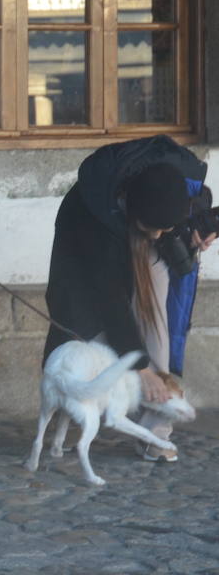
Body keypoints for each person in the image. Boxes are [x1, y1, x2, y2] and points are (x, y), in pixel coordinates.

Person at [43, 135, 214, 462]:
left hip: (142, 226)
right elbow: (110, 299)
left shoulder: (176, 183)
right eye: (154, 229)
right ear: (134, 214)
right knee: (98, 341)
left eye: (166, 228)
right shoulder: (88, 212)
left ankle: (156, 432)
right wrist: (139, 367)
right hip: (94, 259)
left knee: (157, 327)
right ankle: (88, 410)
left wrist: (198, 229)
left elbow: (197, 203)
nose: (159, 236)